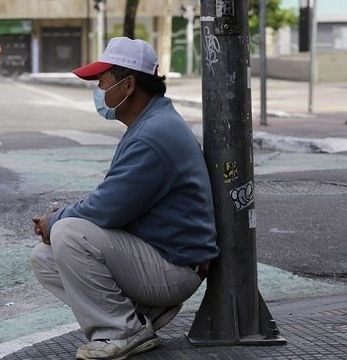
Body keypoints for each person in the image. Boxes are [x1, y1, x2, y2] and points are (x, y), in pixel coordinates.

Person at [30, 37, 219, 359]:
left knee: (69, 234)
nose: (98, 91)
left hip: (174, 267)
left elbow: (108, 209)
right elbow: (116, 199)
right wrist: (63, 217)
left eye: (102, 82)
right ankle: (140, 316)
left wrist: (57, 220)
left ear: (128, 85)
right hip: (162, 257)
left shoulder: (152, 134)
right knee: (45, 259)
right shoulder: (151, 123)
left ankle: (121, 331)